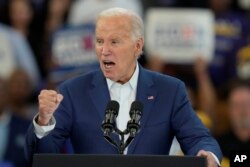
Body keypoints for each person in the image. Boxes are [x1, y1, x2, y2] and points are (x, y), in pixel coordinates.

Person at [25, 7, 222, 167]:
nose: (104, 51)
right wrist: (43, 122)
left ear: (137, 46)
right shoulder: (73, 90)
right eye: (100, 41)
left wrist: (208, 155)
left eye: (114, 42)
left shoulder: (169, 90)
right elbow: (42, 156)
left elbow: (198, 138)